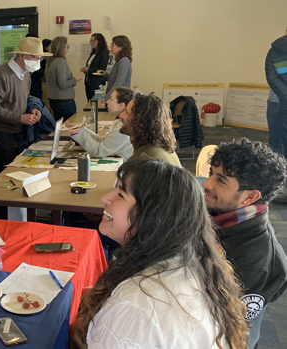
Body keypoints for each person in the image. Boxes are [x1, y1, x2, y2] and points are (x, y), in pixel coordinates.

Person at [71, 159, 248, 349]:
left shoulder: (134, 308)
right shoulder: (193, 262)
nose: (105, 197)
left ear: (153, 217)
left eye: (121, 194)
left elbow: (132, 317)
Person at [202, 138, 287, 348]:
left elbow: (227, 326)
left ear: (250, 197)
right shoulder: (218, 214)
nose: (206, 184)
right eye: (211, 174)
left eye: (220, 180)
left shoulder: (258, 263)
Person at [0, 36, 51, 219]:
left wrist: (35, 108)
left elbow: (25, 98)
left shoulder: (26, 74)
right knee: (3, 180)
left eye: (40, 58)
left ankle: (17, 218)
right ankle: (1, 220)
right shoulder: (1, 74)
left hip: (19, 131)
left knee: (18, 176)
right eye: (34, 57)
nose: (37, 62)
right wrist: (19, 118)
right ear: (21, 55)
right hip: (1, 133)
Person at [69, 87, 134, 160]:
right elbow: (103, 140)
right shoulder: (119, 122)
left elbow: (99, 151)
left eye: (111, 99)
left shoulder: (122, 128)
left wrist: (81, 133)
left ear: (121, 105)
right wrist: (82, 130)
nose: (107, 101)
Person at [119, 93, 181, 166]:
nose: (120, 115)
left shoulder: (143, 160)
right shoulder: (158, 149)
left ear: (140, 121)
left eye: (126, 112)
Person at [265, 25, 287, 205]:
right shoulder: (276, 50)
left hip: (277, 101)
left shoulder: (275, 49)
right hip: (277, 103)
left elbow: (272, 77)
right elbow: (271, 76)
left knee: (278, 143)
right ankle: (279, 180)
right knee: (276, 143)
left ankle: (279, 181)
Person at [45, 36, 82, 121]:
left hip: (53, 99)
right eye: (67, 46)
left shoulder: (50, 61)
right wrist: (75, 79)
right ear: (62, 48)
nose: (68, 49)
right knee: (70, 126)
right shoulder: (61, 61)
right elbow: (63, 84)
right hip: (64, 100)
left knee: (59, 127)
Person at [98, 35, 132, 101]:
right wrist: (105, 74)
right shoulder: (119, 61)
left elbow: (119, 82)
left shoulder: (124, 60)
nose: (110, 47)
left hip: (120, 99)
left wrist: (106, 98)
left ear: (120, 48)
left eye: (113, 45)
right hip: (116, 98)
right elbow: (114, 79)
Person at [80, 33, 109, 101]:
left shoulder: (104, 53)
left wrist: (89, 69)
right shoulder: (93, 53)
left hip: (96, 82)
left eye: (93, 41)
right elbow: (91, 66)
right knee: (90, 102)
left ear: (99, 41)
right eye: (91, 41)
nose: (91, 43)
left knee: (95, 103)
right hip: (88, 82)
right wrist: (85, 69)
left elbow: (102, 69)